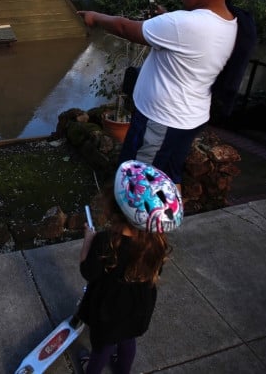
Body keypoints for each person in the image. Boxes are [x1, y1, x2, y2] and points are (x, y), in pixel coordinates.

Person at [78, 0, 239, 186]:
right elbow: (188, 39)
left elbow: (124, 28)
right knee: (167, 178)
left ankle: (133, 222)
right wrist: (165, 18)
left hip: (161, 121)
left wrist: (94, 17)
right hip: (189, 118)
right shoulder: (229, 22)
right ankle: (164, 219)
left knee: (138, 185)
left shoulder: (183, 23)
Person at [77, 160, 182, 374]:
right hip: (138, 308)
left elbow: (88, 271)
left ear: (116, 210)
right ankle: (123, 370)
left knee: (103, 347)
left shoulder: (105, 241)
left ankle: (92, 370)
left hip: (108, 311)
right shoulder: (156, 243)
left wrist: (88, 239)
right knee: (127, 340)